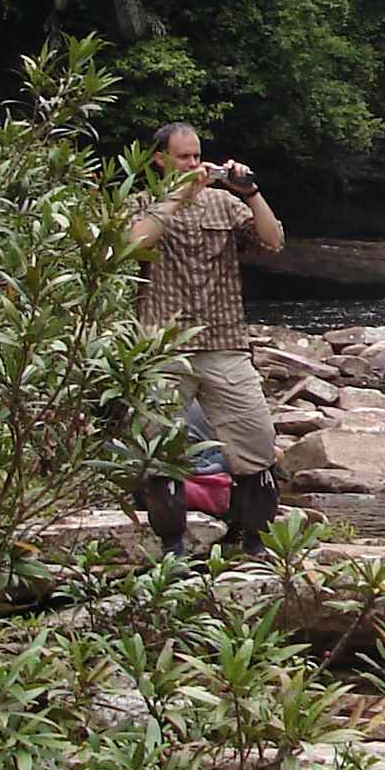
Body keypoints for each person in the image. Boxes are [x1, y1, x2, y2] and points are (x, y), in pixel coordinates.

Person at [128, 122, 286, 558]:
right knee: (160, 447)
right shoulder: (142, 204)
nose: (195, 165)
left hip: (223, 342)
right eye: (184, 158)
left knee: (256, 440)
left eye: (198, 156)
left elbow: (272, 243)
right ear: (160, 159)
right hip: (164, 343)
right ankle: (172, 544)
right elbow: (129, 246)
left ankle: (253, 540)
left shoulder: (223, 204)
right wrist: (176, 198)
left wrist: (250, 192)